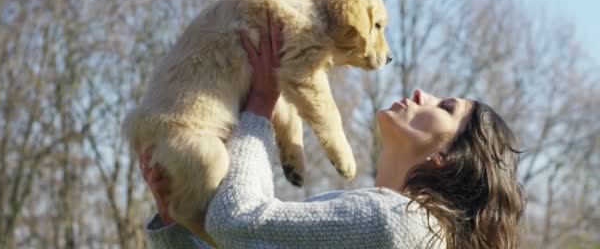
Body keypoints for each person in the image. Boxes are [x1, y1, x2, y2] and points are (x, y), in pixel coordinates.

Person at [140, 13, 526, 249]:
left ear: (446, 158)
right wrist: (172, 217)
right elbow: (241, 237)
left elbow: (237, 222)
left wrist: (260, 106)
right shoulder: (382, 223)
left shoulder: (398, 224)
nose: (423, 93)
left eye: (445, 108)